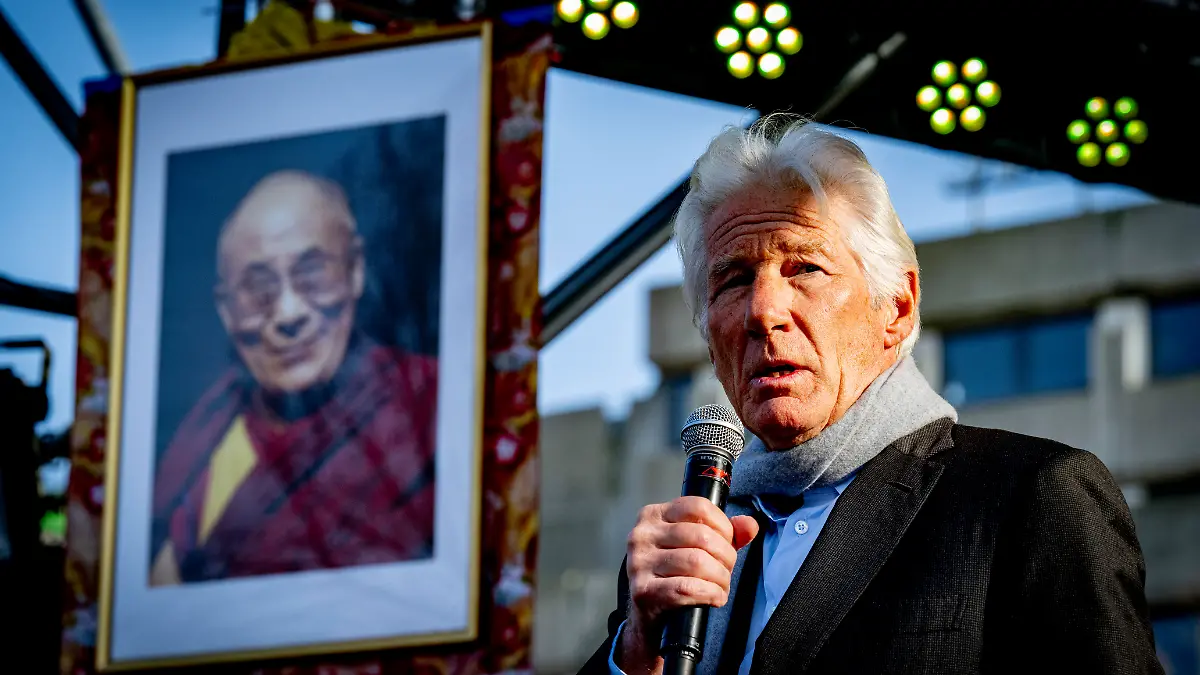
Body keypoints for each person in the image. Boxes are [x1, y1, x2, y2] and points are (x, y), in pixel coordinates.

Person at [580, 115, 1162, 675]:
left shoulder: (1031, 497)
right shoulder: (680, 553)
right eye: (734, 279)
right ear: (709, 340)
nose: (763, 311)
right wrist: (636, 653)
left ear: (897, 309)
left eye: (804, 268)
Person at [149, 170, 437, 586]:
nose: (288, 314)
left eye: (313, 276)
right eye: (258, 290)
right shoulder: (202, 441)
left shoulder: (429, 403)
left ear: (356, 270)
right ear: (226, 311)